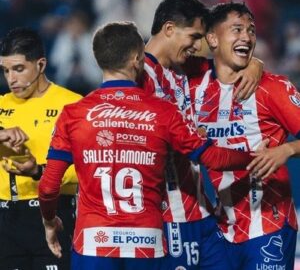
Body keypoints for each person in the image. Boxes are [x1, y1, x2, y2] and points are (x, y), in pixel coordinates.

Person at [38, 21, 255, 270]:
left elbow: (48, 186)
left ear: (99, 59)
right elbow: (212, 158)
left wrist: (49, 221)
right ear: (136, 59)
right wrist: (255, 157)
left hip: (93, 240)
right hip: (146, 239)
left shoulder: (73, 114)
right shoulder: (164, 111)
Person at [142, 0, 263, 269]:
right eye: (194, 37)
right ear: (169, 29)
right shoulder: (140, 78)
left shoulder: (186, 67)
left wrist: (256, 65)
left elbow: (230, 62)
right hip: (166, 218)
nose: (198, 46)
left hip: (201, 213)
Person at [190, 2, 298, 270]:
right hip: (220, 229)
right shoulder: (194, 87)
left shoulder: (273, 87)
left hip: (269, 226)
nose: (247, 37)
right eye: (236, 29)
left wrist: (287, 150)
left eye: (251, 30)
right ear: (213, 38)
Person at [0, 27, 82, 270]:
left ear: (41, 65)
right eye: (5, 71)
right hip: (6, 220)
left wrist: (40, 170)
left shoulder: (72, 104)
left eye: (19, 69)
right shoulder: (2, 103)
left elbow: (87, 166)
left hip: (53, 215)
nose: (11, 79)